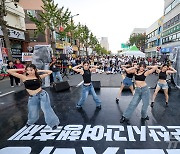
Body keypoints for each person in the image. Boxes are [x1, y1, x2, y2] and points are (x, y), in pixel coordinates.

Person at [7, 64, 60, 130]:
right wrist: (22, 69)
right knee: (32, 111)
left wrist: (39, 71)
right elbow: (9, 71)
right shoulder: (24, 77)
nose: (29, 72)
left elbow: (49, 72)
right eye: (28, 70)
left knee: (47, 109)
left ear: (34, 70)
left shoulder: (39, 77)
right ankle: (30, 122)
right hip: (32, 97)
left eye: (31, 70)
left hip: (42, 95)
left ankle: (53, 124)